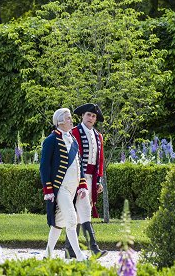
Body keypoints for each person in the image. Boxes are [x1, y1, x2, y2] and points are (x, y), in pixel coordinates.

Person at [40, 108, 89, 261]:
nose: (71, 120)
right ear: (60, 122)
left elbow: (78, 164)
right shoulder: (51, 140)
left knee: (58, 224)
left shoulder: (73, 139)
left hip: (73, 188)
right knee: (72, 219)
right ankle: (79, 256)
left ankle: (47, 254)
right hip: (60, 187)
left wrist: (82, 185)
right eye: (68, 118)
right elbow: (44, 166)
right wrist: (48, 189)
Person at [65, 103, 107, 258]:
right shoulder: (74, 132)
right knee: (82, 211)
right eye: (89, 115)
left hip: (91, 179)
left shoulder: (98, 136)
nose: (91, 118)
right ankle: (94, 248)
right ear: (82, 116)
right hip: (76, 178)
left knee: (77, 213)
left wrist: (98, 181)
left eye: (94, 116)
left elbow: (99, 161)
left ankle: (69, 250)